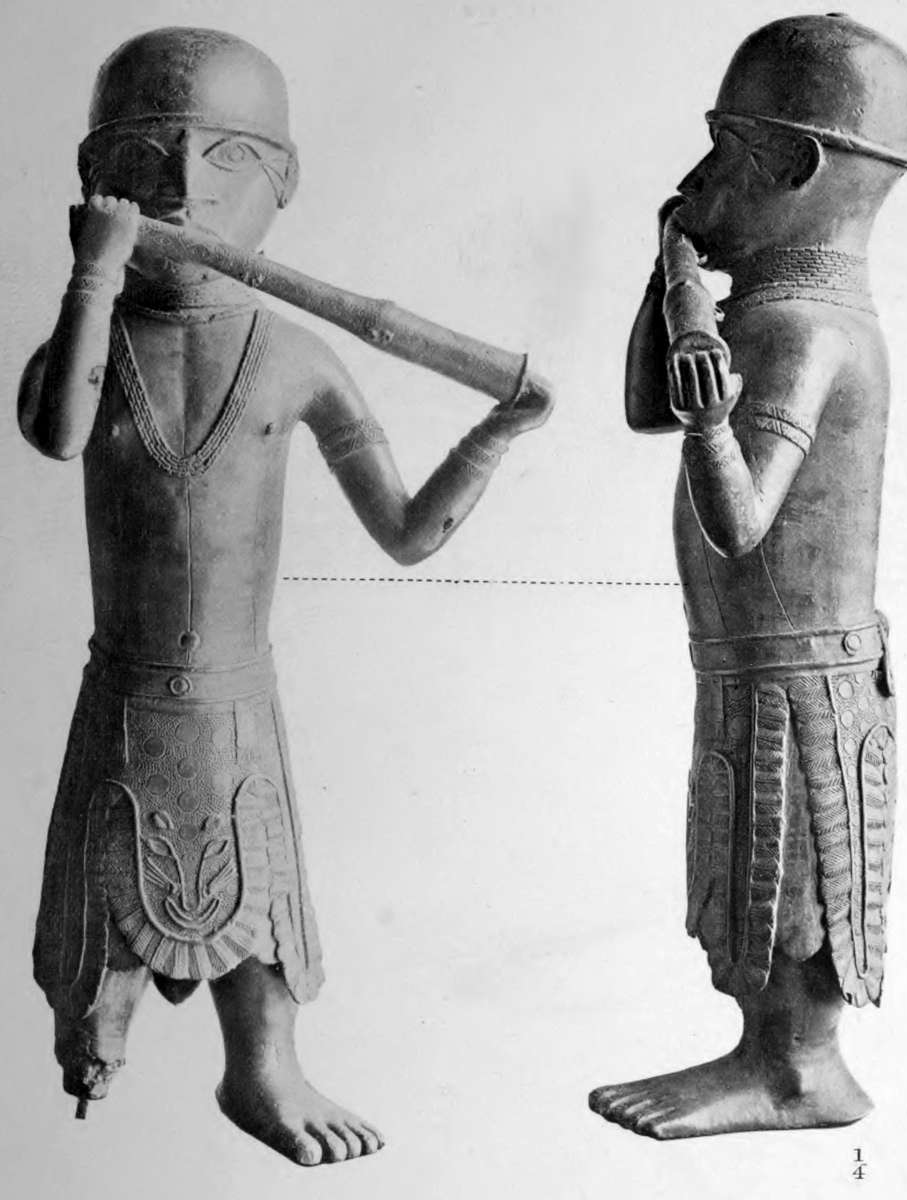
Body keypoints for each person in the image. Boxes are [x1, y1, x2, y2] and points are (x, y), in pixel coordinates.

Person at [19, 27, 551, 1167]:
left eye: (227, 157)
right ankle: (94, 1038)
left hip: (236, 699)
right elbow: (58, 432)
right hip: (124, 691)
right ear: (95, 178)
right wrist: (94, 275)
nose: (183, 186)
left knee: (255, 884)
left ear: (284, 182)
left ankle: (258, 1067)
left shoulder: (294, 356)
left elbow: (406, 532)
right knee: (97, 961)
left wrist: (495, 433)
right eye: (147, 156)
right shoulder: (91, 338)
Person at [589, 14, 907, 1138]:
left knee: (787, 872)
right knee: (752, 862)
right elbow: (646, 406)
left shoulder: (798, 330)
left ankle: (795, 1075)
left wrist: (709, 414)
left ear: (794, 167)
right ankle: (771, 1061)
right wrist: (673, 289)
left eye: (724, 151)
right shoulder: (781, 311)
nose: (696, 181)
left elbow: (738, 522)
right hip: (760, 658)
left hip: (794, 669)